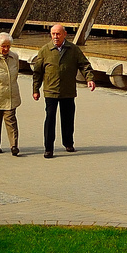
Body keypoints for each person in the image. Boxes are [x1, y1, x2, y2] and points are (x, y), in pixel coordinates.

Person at [31, 22, 96, 157]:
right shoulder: (45, 50)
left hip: (68, 90)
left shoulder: (73, 49)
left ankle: (68, 143)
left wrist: (89, 78)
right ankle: (48, 148)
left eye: (58, 34)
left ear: (65, 34)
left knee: (68, 118)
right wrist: (35, 89)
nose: (56, 36)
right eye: (53, 34)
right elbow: (37, 72)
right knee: (50, 119)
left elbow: (84, 65)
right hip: (51, 91)